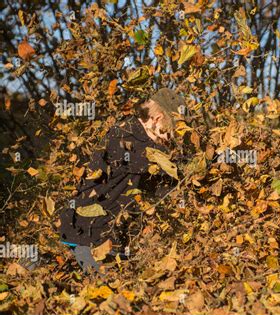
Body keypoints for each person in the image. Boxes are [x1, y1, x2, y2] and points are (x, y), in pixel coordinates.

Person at [58, 88, 185, 272]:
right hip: (87, 232)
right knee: (101, 289)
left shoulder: (141, 139)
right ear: (157, 119)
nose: (172, 138)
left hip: (110, 235)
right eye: (171, 131)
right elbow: (166, 167)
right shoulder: (125, 136)